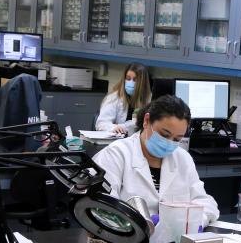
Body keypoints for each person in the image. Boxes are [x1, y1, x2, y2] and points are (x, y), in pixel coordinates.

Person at [93, 95, 219, 225]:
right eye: (164, 135)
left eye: (177, 139)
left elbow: (206, 202)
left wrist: (195, 222)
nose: (169, 143)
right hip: (126, 241)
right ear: (147, 121)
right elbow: (102, 206)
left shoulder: (183, 159)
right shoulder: (115, 155)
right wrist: (138, 224)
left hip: (173, 241)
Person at [95, 63, 151, 134]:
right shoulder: (114, 98)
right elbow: (101, 124)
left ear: (142, 83)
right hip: (116, 139)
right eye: (128, 78)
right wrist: (113, 127)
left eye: (135, 80)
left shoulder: (148, 98)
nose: (130, 82)